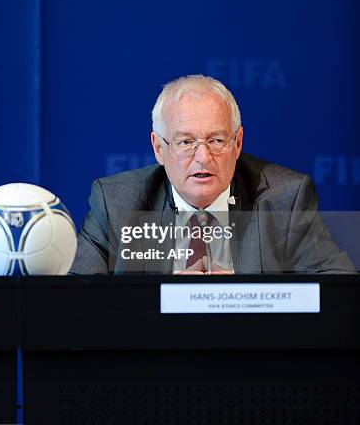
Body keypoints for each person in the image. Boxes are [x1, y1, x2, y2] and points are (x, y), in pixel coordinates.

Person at [70, 75, 355, 275]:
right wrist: (162, 299)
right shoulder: (117, 203)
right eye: (185, 142)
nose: (203, 157)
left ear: (238, 143)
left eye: (217, 140)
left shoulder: (284, 198)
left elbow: (336, 285)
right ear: (159, 148)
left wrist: (239, 299)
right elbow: (74, 300)